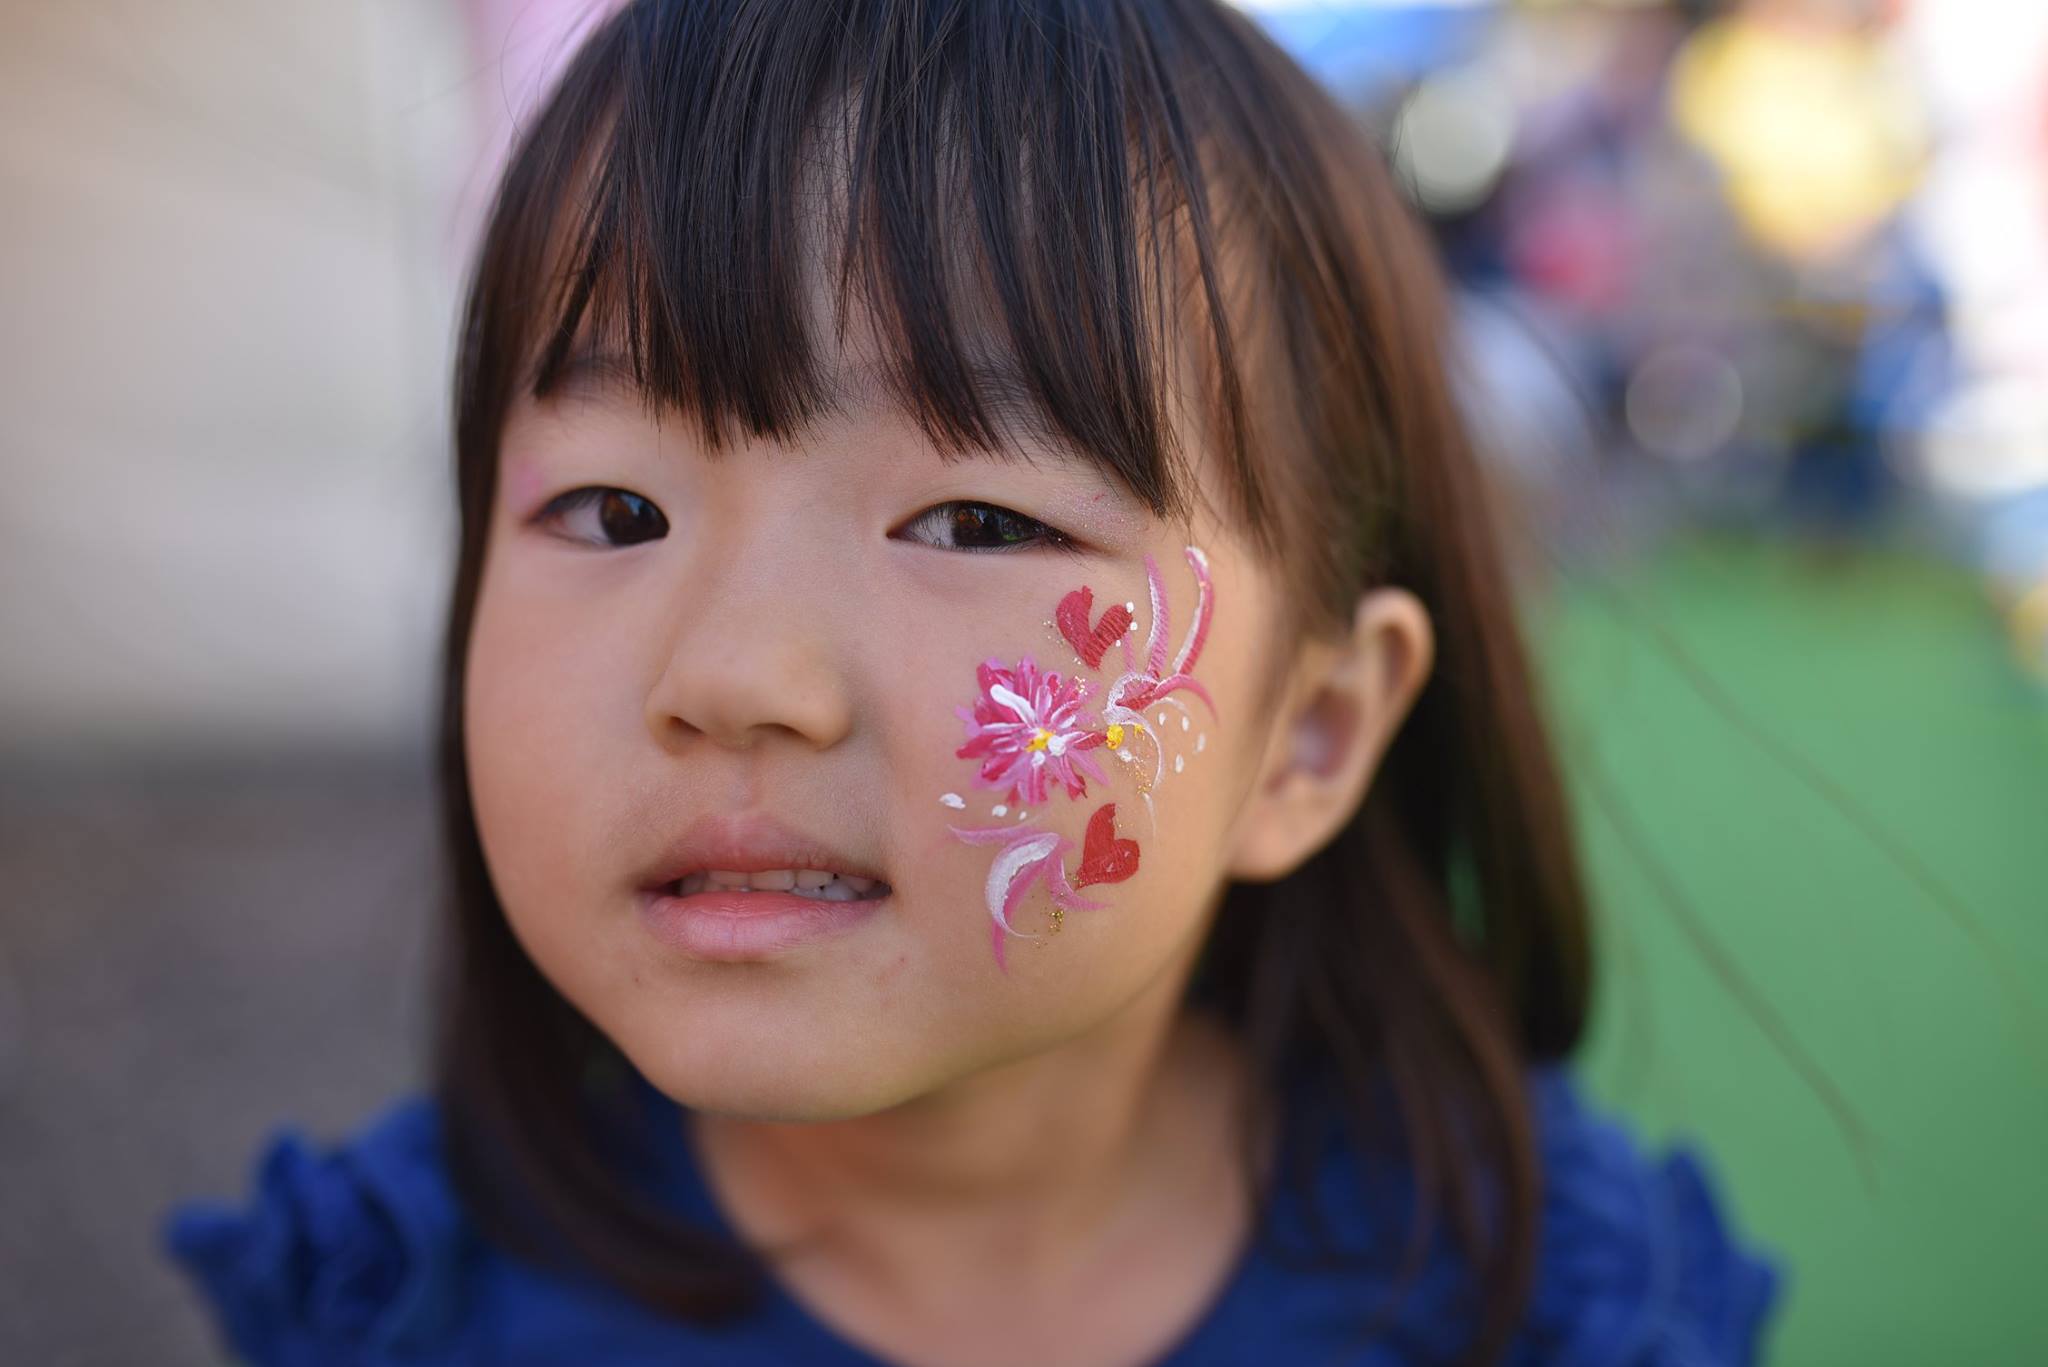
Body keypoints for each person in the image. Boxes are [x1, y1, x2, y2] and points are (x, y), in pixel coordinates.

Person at [158, 1, 1784, 1363]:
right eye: (612, 510)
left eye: (978, 521)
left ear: (1308, 736)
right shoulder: (407, 1313)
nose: (733, 673)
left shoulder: (1526, 1303)